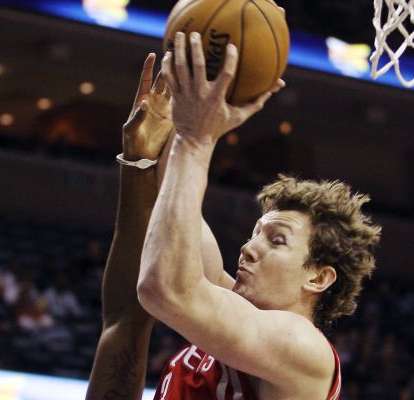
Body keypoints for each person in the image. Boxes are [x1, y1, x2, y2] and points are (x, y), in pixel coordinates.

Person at [87, 31, 381, 400]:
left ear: (318, 277)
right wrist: (165, 132)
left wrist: (197, 139)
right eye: (255, 233)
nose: (248, 248)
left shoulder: (304, 349)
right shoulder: (231, 309)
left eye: (276, 240)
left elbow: (164, 288)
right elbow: (174, 211)